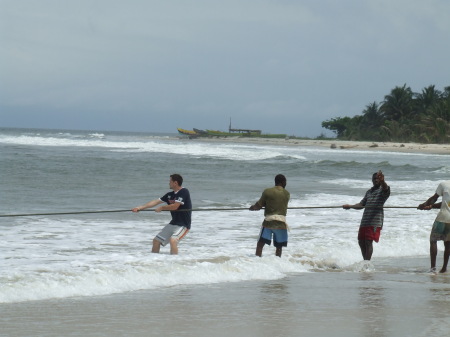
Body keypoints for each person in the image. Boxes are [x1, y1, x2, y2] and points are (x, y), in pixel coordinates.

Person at [132, 174, 192, 255]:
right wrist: (140, 208)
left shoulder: (184, 192)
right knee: (156, 241)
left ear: (175, 183)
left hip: (183, 225)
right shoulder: (169, 195)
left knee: (173, 240)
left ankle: (174, 262)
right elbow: (155, 202)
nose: (168, 183)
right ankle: (154, 261)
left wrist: (162, 208)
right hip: (173, 223)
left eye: (170, 181)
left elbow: (175, 206)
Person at [343, 171, 390, 261]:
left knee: (368, 241)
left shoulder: (383, 191)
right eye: (374, 179)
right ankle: (365, 262)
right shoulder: (369, 192)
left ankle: (367, 263)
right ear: (372, 180)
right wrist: (350, 206)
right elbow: (361, 204)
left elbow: (385, 188)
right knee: (361, 241)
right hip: (365, 220)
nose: (376, 180)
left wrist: (383, 181)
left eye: (378, 179)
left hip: (375, 221)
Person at [249, 174, 290, 257]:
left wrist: (252, 208)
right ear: (282, 182)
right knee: (279, 246)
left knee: (260, 244)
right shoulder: (287, 194)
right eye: (285, 182)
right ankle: (277, 262)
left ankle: (257, 261)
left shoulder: (267, 191)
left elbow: (259, 205)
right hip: (281, 223)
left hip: (269, 222)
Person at [417, 180, 450, 273]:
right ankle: (444, 269)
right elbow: (446, 204)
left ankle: (433, 268)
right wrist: (431, 206)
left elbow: (434, 198)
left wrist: (423, 205)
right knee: (448, 243)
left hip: (443, 217)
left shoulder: (444, 184)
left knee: (433, 240)